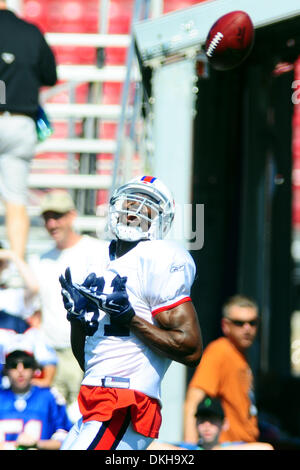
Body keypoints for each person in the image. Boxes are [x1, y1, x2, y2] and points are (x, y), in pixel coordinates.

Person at [58, 175, 203, 450]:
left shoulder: (160, 258)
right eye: (131, 200)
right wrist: (77, 322)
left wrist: (131, 319)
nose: (134, 209)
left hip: (127, 400)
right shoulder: (92, 257)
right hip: (95, 397)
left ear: (161, 218)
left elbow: (192, 349)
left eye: (146, 204)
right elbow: (90, 363)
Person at [31, 190, 107, 410]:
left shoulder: (96, 250)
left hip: (85, 349)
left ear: (72, 216)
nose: (52, 223)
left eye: (58, 216)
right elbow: (36, 312)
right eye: (48, 218)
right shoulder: (40, 259)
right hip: (50, 354)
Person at [0, 0, 57, 259]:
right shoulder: (31, 32)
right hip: (21, 122)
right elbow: (50, 75)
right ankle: (17, 266)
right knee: (16, 201)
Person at [184, 295, 260, 444]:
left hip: (244, 443)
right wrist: (190, 447)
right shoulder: (220, 351)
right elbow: (193, 400)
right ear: (225, 325)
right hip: (226, 444)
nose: (247, 328)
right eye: (239, 323)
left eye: (253, 323)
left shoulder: (242, 356)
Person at [0, 349, 72, 450]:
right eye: (13, 365)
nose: (20, 371)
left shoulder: (49, 397)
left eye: (26, 365)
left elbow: (67, 440)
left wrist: (37, 444)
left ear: (34, 370)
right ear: (6, 370)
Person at [148, 396, 273, 451]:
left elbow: (266, 448)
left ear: (224, 424)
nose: (207, 426)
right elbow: (151, 447)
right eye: (202, 421)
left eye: (212, 421)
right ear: (196, 424)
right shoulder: (189, 447)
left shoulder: (231, 446)